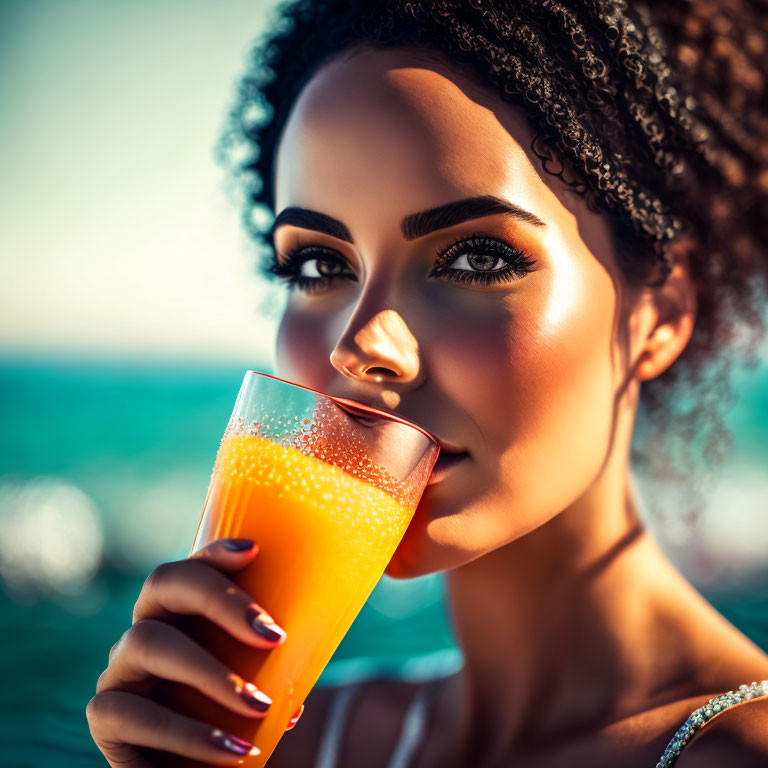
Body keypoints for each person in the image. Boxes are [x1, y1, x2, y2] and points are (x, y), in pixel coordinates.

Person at [86, 1, 768, 766]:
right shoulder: (286, 743)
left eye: (476, 258)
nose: (359, 345)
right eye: (319, 264)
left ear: (659, 315)